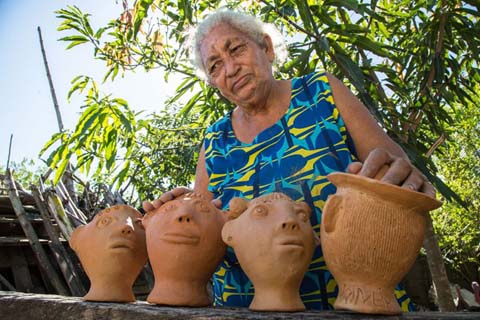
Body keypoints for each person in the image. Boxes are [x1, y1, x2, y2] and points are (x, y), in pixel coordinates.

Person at [143, 9, 435, 310]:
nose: (229, 69)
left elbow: (394, 171)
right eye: (215, 66)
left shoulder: (321, 92)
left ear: (266, 47)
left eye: (236, 49)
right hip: (243, 312)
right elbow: (205, 232)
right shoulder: (216, 140)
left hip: (357, 306)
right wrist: (179, 210)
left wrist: (400, 178)